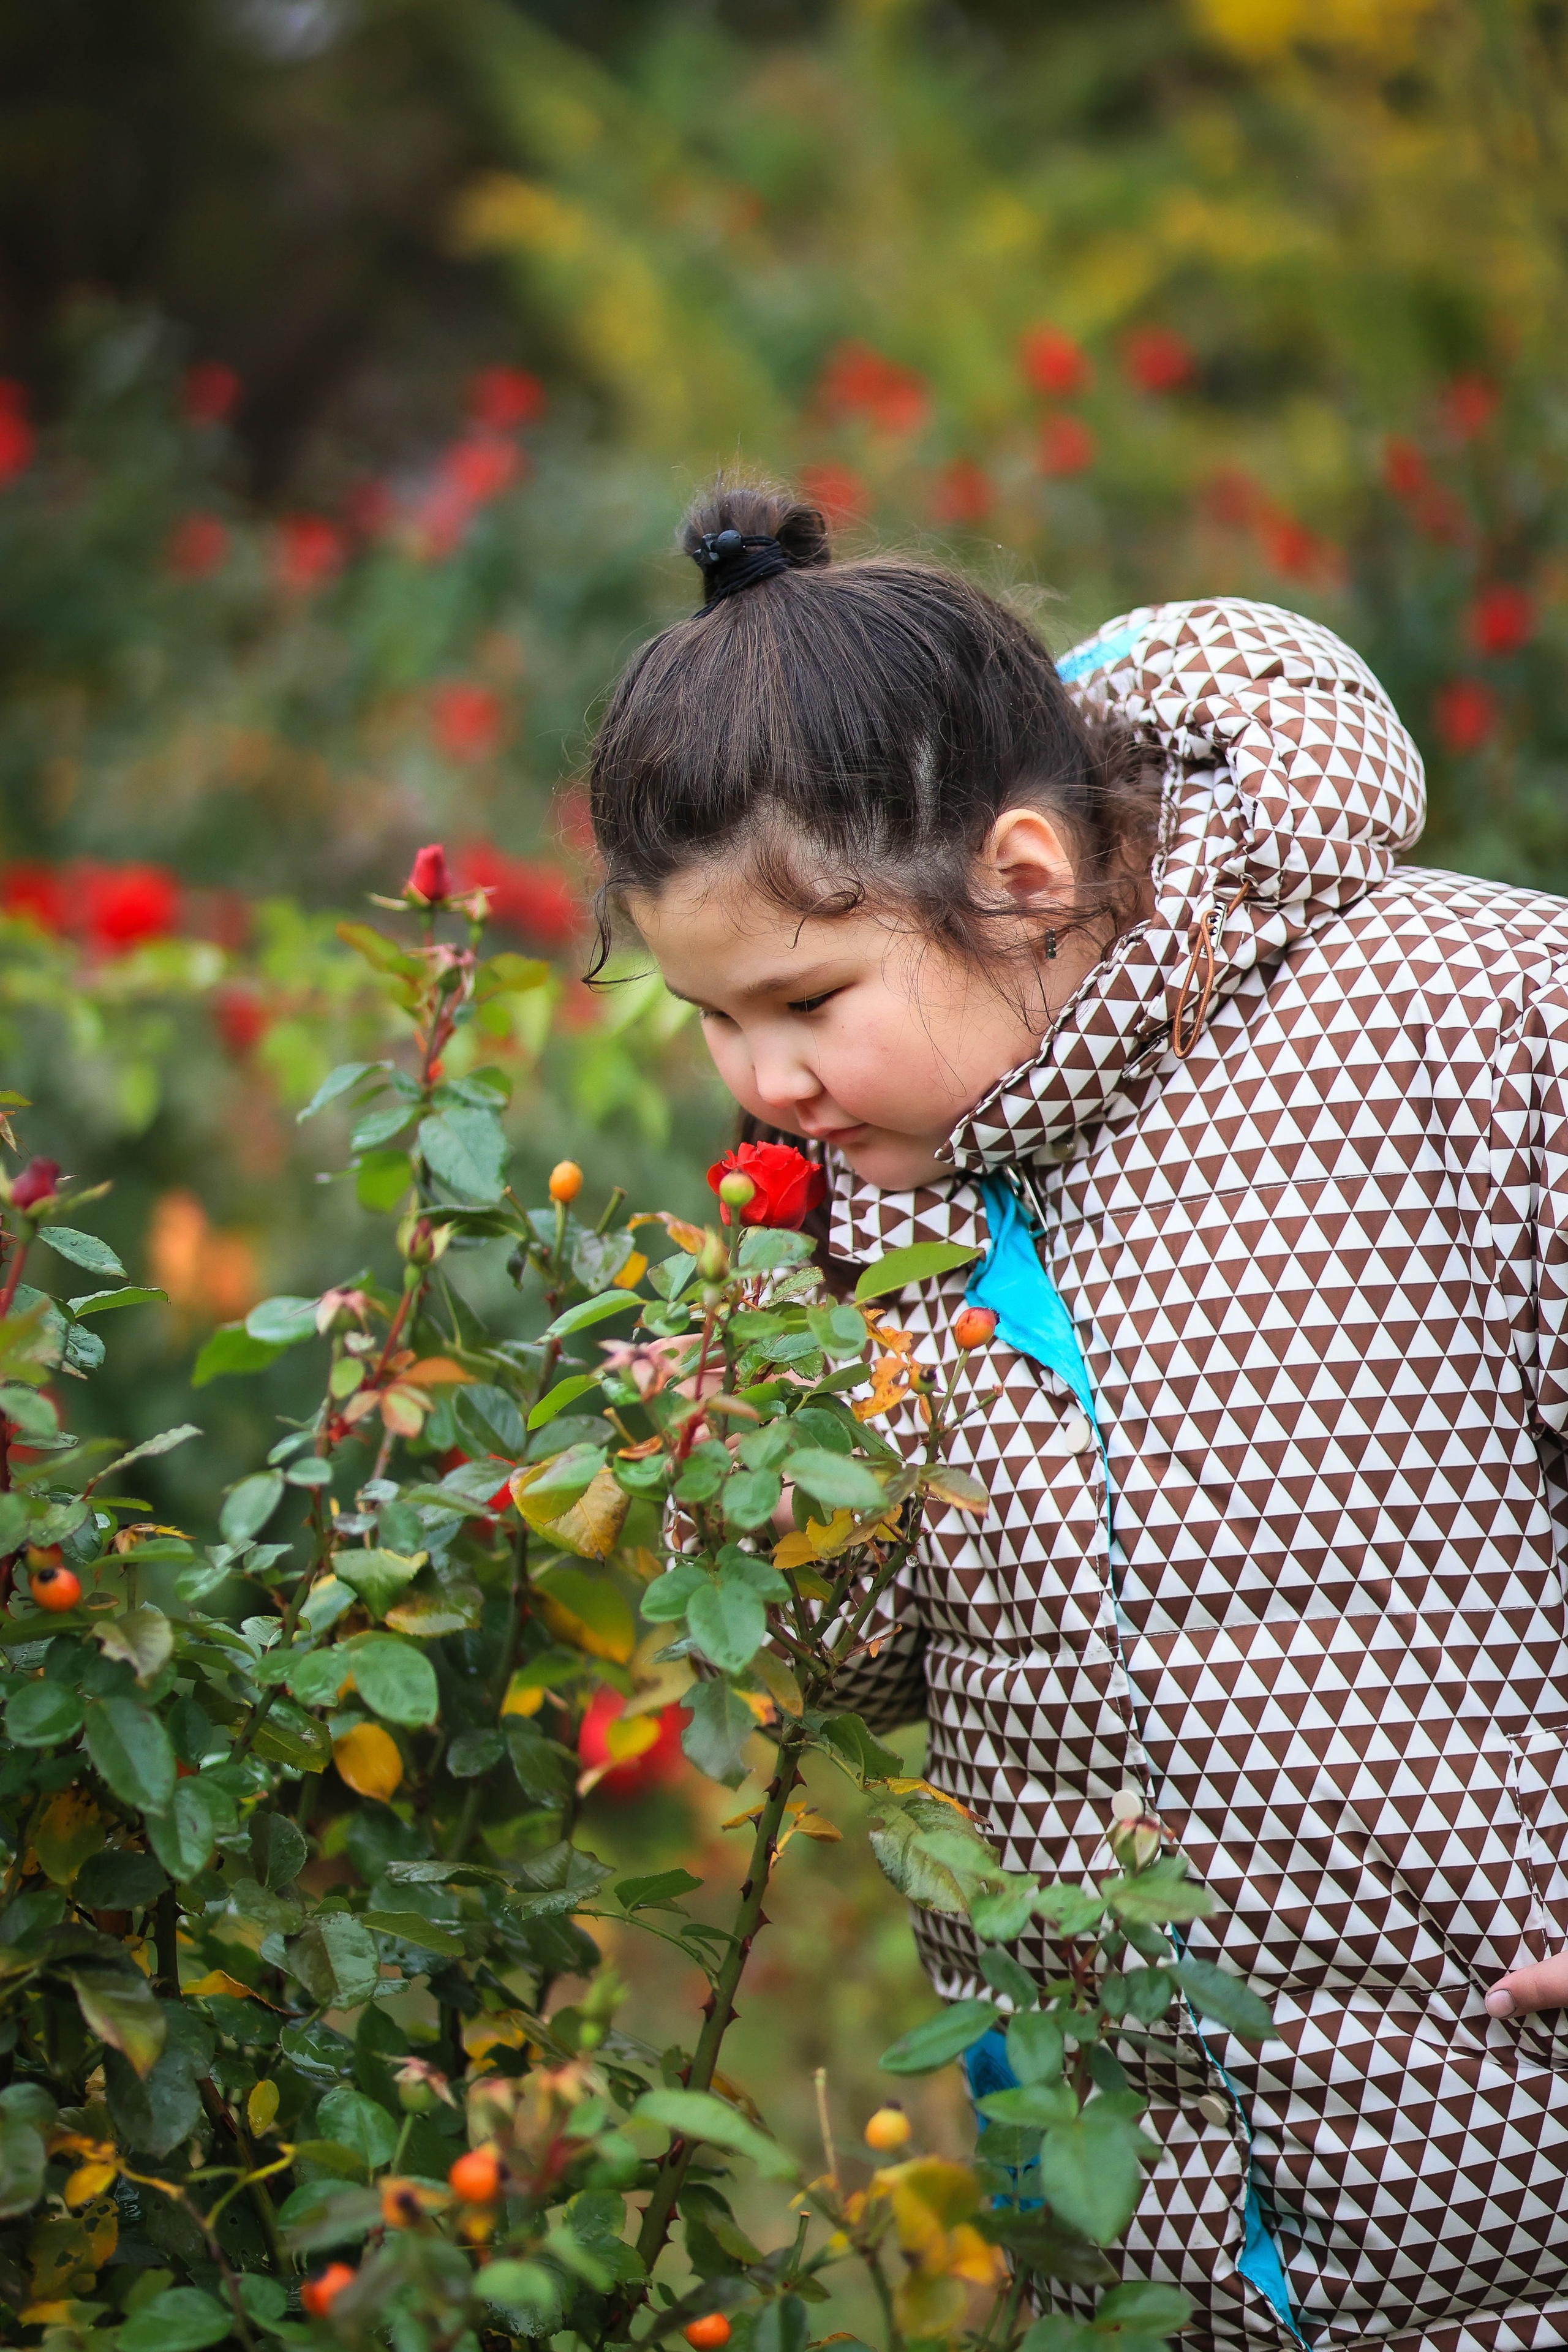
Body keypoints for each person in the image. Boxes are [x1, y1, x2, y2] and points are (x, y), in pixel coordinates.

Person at [588, 480, 1568, 2352]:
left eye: (804, 996)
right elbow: (863, 1671)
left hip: (1512, 2203)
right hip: (1127, 2237)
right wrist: (743, 1467)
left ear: (1021, 879)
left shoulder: (1476, 1024)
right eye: (711, 1017)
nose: (761, 1078)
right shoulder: (874, 1190)